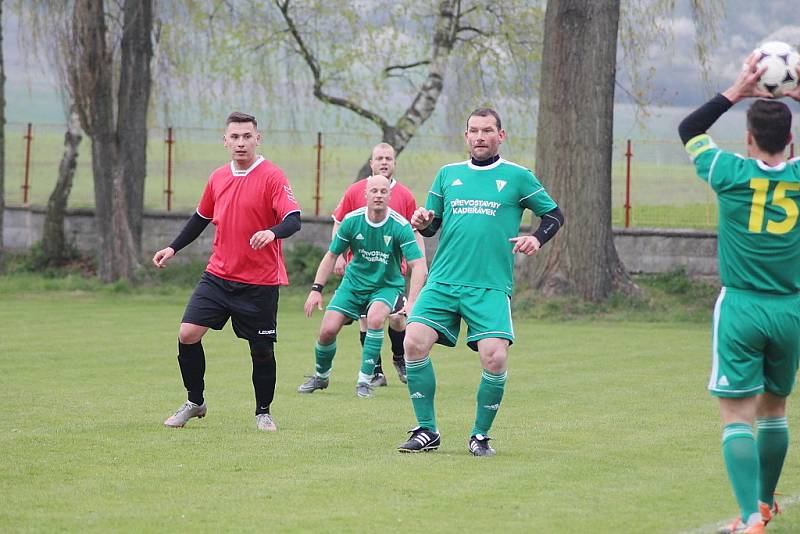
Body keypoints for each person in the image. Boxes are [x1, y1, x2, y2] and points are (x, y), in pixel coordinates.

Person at [678, 56, 800, 534]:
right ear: (791, 140)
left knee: (736, 416)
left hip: (742, 307)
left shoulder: (727, 171)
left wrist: (737, 90)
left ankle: (750, 516)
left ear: (748, 139)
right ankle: (767, 504)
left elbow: (690, 128)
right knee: (775, 410)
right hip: (791, 309)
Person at [398, 108, 564, 456]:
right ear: (466, 136)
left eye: (487, 131)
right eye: (473, 130)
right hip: (443, 281)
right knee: (413, 342)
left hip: (489, 285)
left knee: (495, 359)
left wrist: (536, 238)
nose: (480, 137)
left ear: (500, 136)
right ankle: (427, 430)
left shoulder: (518, 177)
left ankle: (479, 435)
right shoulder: (448, 175)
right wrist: (423, 219)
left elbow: (553, 214)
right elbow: (431, 224)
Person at [153, 111, 301, 432]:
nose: (241, 143)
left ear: (257, 139)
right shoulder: (217, 177)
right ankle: (195, 401)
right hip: (218, 277)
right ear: (225, 141)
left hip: (259, 282)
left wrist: (273, 232)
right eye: (234, 137)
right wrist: (173, 247)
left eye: (247, 136)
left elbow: (293, 218)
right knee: (187, 334)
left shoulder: (273, 176)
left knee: (261, 351)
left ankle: (263, 412)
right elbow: (200, 218)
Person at [298, 174, 427, 398]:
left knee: (376, 319)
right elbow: (331, 256)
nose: (378, 195)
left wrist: (413, 301)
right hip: (353, 285)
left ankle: (364, 381)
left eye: (383, 191)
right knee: (327, 331)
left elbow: (419, 266)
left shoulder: (400, 225)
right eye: (374, 191)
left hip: (386, 286)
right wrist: (316, 290)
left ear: (389, 195)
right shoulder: (351, 221)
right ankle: (321, 376)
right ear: (365, 194)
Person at [330, 143, 424, 387]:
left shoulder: (404, 195)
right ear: (371, 163)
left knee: (397, 320)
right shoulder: (355, 191)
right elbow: (340, 223)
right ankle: (375, 372)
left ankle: (399, 358)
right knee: (366, 319)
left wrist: (420, 264)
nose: (384, 162)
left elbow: (415, 233)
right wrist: (339, 256)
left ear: (394, 163)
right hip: (360, 272)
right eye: (379, 158)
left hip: (392, 272)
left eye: (388, 159)